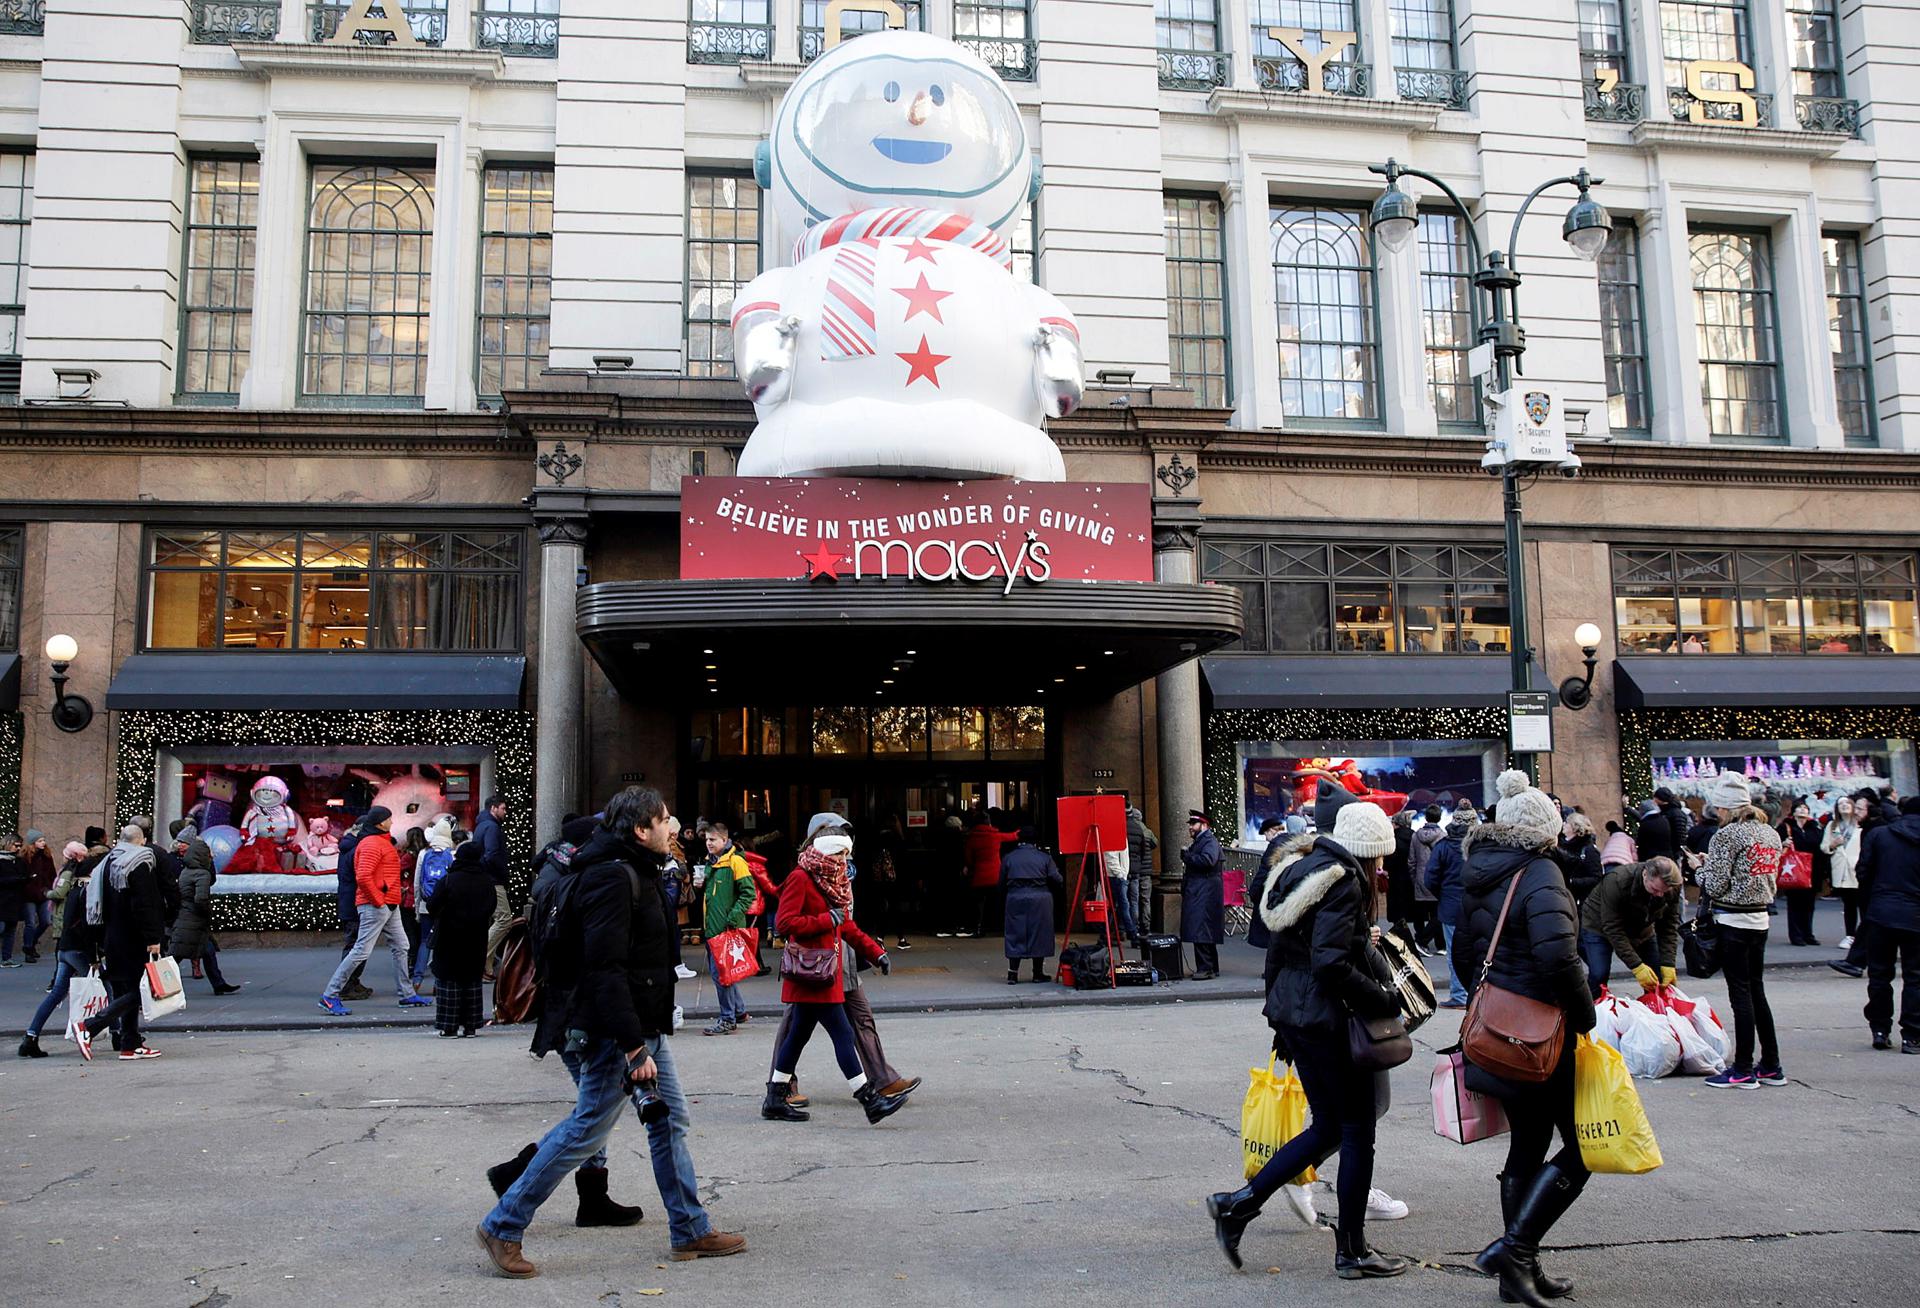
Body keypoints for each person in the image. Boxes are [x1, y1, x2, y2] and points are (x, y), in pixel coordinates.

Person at [476, 787, 746, 1276]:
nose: (673, 828)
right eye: (664, 820)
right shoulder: (610, 877)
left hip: (638, 1025)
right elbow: (604, 969)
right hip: (612, 1031)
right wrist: (632, 1045)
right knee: (586, 1129)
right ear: (641, 830)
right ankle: (503, 1223)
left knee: (667, 1122)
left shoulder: (635, 869)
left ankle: (689, 1228)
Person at [1205, 801, 1408, 1280]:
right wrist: (1381, 1000)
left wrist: (1279, 1021)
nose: (1381, 867)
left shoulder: (1299, 869)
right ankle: (1353, 1251)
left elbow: (1278, 953)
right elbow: (1330, 962)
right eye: (1381, 857)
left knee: (1330, 1128)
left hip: (1298, 1014)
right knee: (1356, 1131)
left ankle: (1239, 1205)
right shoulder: (1345, 880)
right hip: (1327, 1018)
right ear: (1370, 850)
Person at [1451, 771, 1596, 1308]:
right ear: (1546, 831)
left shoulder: (1479, 871)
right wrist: (1585, 1018)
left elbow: (1466, 952)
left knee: (1528, 1144)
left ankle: (1518, 1269)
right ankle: (1516, 1252)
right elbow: (1558, 956)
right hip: (1540, 1036)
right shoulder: (1540, 873)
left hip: (1492, 1030)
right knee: (1583, 1148)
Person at [760, 822, 908, 1126]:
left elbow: (847, 926)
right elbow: (786, 924)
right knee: (842, 1034)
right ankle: (870, 1100)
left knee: (797, 1038)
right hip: (812, 971)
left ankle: (774, 1098)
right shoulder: (801, 878)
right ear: (827, 852)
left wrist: (875, 953)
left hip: (820, 972)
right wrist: (825, 919)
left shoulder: (832, 879)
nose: (844, 861)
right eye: (840, 854)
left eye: (846, 855)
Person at [1696, 774, 1785, 1088]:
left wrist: (1700, 868)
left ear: (1725, 807)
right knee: (1757, 991)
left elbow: (1716, 884)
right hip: (1760, 918)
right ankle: (1771, 1064)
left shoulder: (1726, 835)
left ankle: (1743, 1068)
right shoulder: (1769, 833)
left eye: (1718, 807)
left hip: (1733, 920)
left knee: (1741, 996)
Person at [319, 807, 431, 1015]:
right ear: (380, 823)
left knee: (400, 946)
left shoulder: (375, 841)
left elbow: (368, 876)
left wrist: (383, 900)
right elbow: (363, 877)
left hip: (385, 903)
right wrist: (379, 900)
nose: (391, 821)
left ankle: (407, 994)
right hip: (378, 904)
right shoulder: (372, 843)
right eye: (389, 818)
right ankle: (329, 995)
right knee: (362, 950)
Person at [74, 826, 169, 1062]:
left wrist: (95, 944)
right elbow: (145, 904)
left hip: (112, 936)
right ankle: (89, 1026)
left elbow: (93, 904)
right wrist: (153, 939)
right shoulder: (139, 862)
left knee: (127, 989)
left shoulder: (106, 864)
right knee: (142, 990)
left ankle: (130, 1043)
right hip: (135, 937)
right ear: (142, 841)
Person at [17, 848, 104, 1057]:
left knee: (57, 993)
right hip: (78, 949)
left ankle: (31, 1036)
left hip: (65, 948)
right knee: (104, 986)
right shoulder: (87, 892)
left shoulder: (74, 890)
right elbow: (87, 926)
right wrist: (94, 957)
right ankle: (113, 1032)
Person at [1855, 795, 1920, 1054]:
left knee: (1880, 974)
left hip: (1881, 912)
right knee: (1915, 977)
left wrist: (1874, 899)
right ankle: (1912, 1035)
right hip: (1915, 914)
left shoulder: (1880, 835)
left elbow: (1863, 871)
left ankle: (1880, 1029)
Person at [1578, 857, 1681, 999]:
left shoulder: (1672, 887)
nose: (1660, 895)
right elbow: (1613, 928)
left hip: (1642, 928)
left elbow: (1669, 925)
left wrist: (1668, 963)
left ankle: (1657, 1014)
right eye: (1655, 889)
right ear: (1645, 874)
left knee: (1658, 975)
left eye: (1664, 891)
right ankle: (1591, 1014)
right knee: (1599, 973)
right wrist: (1637, 966)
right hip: (1598, 926)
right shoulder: (1617, 881)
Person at [428, 840, 497, 1038]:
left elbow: (433, 905)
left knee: (449, 981)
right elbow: (491, 907)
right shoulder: (486, 881)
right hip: (476, 937)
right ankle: (471, 1026)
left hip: (449, 937)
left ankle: (448, 1026)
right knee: (472, 981)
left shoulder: (449, 880)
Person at [167, 826, 241, 995]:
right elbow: (201, 897)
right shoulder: (200, 873)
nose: (180, 846)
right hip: (193, 918)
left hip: (188, 916)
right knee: (176, 955)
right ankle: (158, 985)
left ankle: (218, 983)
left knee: (205, 951)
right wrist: (206, 911)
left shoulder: (188, 870)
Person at [700, 819, 755, 1035]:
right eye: (706, 840)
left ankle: (727, 1018)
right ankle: (738, 1012)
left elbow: (748, 892)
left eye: (712, 839)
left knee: (721, 975)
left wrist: (732, 917)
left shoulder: (734, 862)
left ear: (724, 839)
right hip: (714, 927)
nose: (708, 843)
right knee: (726, 973)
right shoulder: (713, 862)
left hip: (723, 928)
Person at [1001, 826, 1062, 984]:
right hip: (1040, 897)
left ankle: (1013, 973)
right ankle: (1037, 973)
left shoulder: (1009, 857)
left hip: (1015, 896)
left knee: (1015, 932)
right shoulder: (1044, 858)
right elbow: (1057, 879)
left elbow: (1000, 882)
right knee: (1039, 933)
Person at [1426, 807, 1474, 1007]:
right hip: (1478, 906)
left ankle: (1460, 994)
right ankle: (1475, 994)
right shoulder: (1479, 845)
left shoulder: (1443, 846)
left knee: (1455, 952)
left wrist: (1443, 895)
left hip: (1451, 906)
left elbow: (1430, 878)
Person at [331, 813, 375, 1002]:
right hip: (355, 904)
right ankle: (346, 984)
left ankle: (352, 981)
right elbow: (362, 876)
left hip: (350, 902)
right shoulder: (356, 849)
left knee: (358, 945)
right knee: (356, 945)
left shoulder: (349, 846)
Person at [411, 816, 457, 991]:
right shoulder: (452, 855)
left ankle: (417, 979)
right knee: (443, 944)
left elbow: (417, 883)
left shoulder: (424, 854)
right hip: (445, 907)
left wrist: (417, 908)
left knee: (425, 941)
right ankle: (438, 983)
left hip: (426, 904)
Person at [1181, 810, 1226, 979]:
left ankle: (1206, 968)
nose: (1190, 828)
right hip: (1202, 890)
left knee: (1200, 928)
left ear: (1204, 825)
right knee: (1203, 928)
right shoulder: (1204, 841)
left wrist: (1188, 857)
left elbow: (1208, 860)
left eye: (1194, 824)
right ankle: (1210, 967)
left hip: (1204, 891)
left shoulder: (1208, 841)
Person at [475, 795, 514, 978]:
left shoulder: (482, 825)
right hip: (493, 880)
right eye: (503, 808)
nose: (505, 812)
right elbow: (492, 854)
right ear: (493, 808)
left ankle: (487, 968)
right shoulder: (492, 827)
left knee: (493, 920)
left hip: (485, 879)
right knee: (504, 919)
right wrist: (502, 873)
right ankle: (480, 960)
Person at [1778, 800, 1826, 946]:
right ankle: (1796, 935)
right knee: (1795, 903)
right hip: (1794, 869)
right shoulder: (1785, 827)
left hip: (1812, 870)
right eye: (1799, 807)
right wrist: (1783, 844)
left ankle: (1808, 933)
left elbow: (1820, 847)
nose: (1802, 810)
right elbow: (1775, 845)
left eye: (1805, 808)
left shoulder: (1814, 828)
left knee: (1809, 904)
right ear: (1793, 811)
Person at [961, 812, 1013, 938]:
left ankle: (979, 927)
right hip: (995, 875)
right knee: (998, 902)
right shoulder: (995, 836)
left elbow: (968, 858)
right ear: (989, 823)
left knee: (979, 904)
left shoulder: (971, 838)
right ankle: (1000, 927)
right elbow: (1012, 836)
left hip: (979, 876)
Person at [1825, 796, 1864, 952]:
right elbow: (1824, 846)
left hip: (1858, 869)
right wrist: (1833, 845)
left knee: (1863, 904)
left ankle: (1864, 936)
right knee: (1849, 904)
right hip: (1841, 869)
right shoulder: (1832, 825)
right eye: (1840, 803)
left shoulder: (1860, 825)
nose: (1844, 806)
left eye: (1847, 802)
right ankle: (1850, 935)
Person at [1409, 805, 1446, 955]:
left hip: (1420, 878)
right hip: (1437, 880)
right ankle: (1437, 944)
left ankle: (1422, 940)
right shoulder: (1443, 836)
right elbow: (1444, 861)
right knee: (1438, 914)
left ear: (1426, 818)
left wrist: (1414, 878)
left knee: (1420, 914)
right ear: (1439, 817)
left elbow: (1411, 861)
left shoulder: (1415, 836)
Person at [19, 830, 55, 964]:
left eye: (43, 840)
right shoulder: (25, 857)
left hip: (43, 893)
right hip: (29, 895)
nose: (43, 843)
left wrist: (50, 888)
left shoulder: (46, 856)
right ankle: (28, 949)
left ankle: (31, 942)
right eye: (40, 841)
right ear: (32, 843)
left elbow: (52, 874)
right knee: (30, 923)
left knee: (45, 921)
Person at [1553, 814, 1604, 908]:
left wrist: (1572, 882)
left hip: (1581, 902)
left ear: (1575, 827)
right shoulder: (1561, 846)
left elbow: (1596, 878)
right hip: (1562, 897)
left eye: (1567, 822)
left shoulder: (1589, 850)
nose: (1564, 824)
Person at [1383, 811, 1416, 948]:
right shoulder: (1414, 836)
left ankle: (1399, 935)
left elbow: (1388, 859)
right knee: (1408, 905)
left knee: (1397, 907)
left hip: (1395, 877)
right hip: (1411, 877)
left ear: (1395, 824)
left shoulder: (1392, 839)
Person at [1127, 805, 1157, 942]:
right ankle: (1146, 927)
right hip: (1146, 872)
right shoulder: (1147, 831)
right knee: (1145, 900)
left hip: (1134, 870)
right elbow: (1154, 844)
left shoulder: (1130, 829)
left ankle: (1134, 927)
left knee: (1133, 900)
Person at [0, 833, 25, 967]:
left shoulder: (19, 861)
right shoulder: (2, 860)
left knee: (10, 929)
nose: (18, 848)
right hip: (3, 899)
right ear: (8, 844)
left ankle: (6, 958)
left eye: (20, 846)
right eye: (16, 845)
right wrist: (14, 880)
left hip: (14, 900)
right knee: (2, 928)